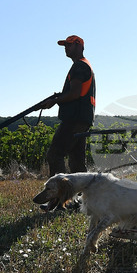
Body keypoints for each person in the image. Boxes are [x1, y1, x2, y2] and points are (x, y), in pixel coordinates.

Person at [40, 35, 96, 180]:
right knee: (77, 163)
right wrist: (58, 96)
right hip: (83, 119)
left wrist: (55, 101)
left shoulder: (79, 66)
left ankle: (59, 196)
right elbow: (77, 92)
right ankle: (82, 198)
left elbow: (75, 93)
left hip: (74, 119)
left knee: (55, 154)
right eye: (65, 45)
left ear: (80, 46)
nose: (66, 48)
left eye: (69, 45)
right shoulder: (84, 64)